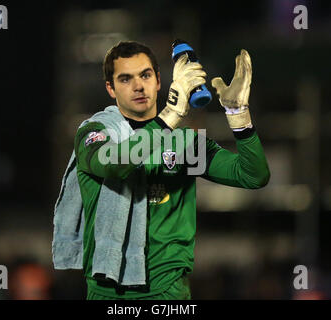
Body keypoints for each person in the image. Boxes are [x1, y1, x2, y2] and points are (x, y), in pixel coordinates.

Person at [54, 40, 270, 300]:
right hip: (108, 293)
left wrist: (238, 114)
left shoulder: (184, 143)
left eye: (145, 75)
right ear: (110, 89)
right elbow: (114, 164)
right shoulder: (95, 134)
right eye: (125, 79)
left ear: (158, 80)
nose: (138, 86)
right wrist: (171, 114)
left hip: (168, 293)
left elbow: (253, 175)